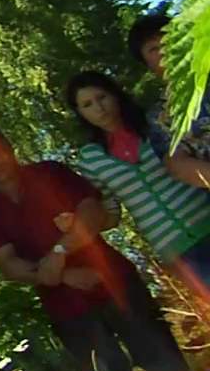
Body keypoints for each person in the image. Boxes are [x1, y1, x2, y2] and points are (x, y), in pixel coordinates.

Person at [0, 125, 194, 371]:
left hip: (113, 281)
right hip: (69, 311)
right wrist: (63, 276)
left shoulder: (51, 174)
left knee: (167, 365)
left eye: (1, 152)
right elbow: (9, 265)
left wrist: (59, 252)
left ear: (10, 148)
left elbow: (93, 213)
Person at [66, 70, 210, 297]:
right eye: (87, 105)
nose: (99, 108)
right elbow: (112, 215)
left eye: (101, 97)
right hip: (177, 251)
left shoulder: (156, 125)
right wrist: (81, 222)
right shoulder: (90, 159)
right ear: (80, 113)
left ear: (115, 94)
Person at [128, 12, 210, 189]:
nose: (165, 50)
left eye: (168, 40)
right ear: (148, 65)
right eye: (153, 49)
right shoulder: (160, 116)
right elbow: (177, 165)